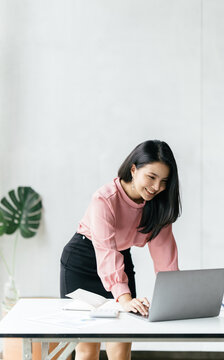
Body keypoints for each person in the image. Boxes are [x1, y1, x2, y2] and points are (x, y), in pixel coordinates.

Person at [60, 139, 181, 360]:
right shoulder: (105, 198)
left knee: (121, 345)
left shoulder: (159, 205)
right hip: (82, 261)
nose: (156, 187)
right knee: (88, 347)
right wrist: (124, 299)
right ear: (133, 169)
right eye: (151, 177)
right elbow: (105, 250)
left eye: (164, 181)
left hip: (120, 260)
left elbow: (165, 256)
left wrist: (175, 299)